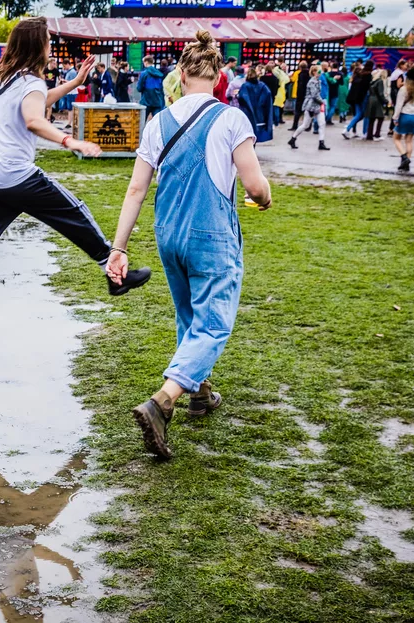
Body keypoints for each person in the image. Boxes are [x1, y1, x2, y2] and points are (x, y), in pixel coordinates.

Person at [0, 17, 152, 361]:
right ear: (37, 46)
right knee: (73, 212)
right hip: (15, 177)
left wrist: (74, 83)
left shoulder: (7, 78)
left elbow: (37, 100)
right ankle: (113, 272)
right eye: (47, 40)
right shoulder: (29, 81)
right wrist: (70, 140)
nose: (51, 45)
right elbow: (33, 117)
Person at [106, 30, 271, 459]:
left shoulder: (158, 122)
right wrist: (265, 197)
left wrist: (118, 248)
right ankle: (164, 400)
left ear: (180, 74)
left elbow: (135, 191)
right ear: (220, 77)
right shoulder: (232, 119)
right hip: (210, 235)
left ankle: (200, 392)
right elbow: (254, 185)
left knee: (189, 315)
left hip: (169, 235)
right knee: (214, 322)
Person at [289, 64, 329, 150]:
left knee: (322, 123)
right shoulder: (312, 82)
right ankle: (293, 138)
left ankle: (321, 142)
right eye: (319, 71)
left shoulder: (318, 81)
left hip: (317, 106)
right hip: (310, 106)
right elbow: (314, 95)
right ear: (314, 72)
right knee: (305, 125)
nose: (320, 73)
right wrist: (323, 102)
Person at [392, 67, 414, 172]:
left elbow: (399, 105)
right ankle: (407, 163)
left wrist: (395, 117)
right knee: (409, 140)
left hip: (404, 115)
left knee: (396, 138)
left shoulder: (404, 89)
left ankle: (404, 157)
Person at [238, 66, 273, 144]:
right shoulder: (262, 86)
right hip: (260, 113)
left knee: (247, 133)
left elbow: (241, 98)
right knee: (256, 132)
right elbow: (268, 96)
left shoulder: (245, 86)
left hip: (247, 114)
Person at [343, 62, 372, 138]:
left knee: (358, 114)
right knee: (364, 115)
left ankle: (348, 128)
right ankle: (364, 132)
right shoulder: (367, 76)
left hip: (355, 99)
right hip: (363, 98)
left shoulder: (355, 78)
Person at [137, 55, 164, 120]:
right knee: (157, 123)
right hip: (157, 101)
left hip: (146, 101)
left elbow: (139, 88)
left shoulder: (144, 74)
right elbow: (161, 89)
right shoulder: (159, 74)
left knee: (142, 122)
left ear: (146, 62)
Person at [365, 67, 389, 140]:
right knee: (380, 117)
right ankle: (377, 134)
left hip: (371, 100)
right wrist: (385, 101)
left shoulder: (372, 82)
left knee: (372, 118)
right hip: (377, 100)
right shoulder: (380, 81)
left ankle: (369, 135)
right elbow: (380, 93)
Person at [289, 61, 309, 131]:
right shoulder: (309, 74)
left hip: (300, 95)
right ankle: (308, 126)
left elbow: (300, 86)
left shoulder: (300, 74)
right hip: (307, 95)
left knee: (297, 111)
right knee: (307, 111)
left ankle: (295, 125)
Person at [272, 60, 289, 127]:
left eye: (285, 67)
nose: (284, 68)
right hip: (280, 92)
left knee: (279, 106)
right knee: (277, 106)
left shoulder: (281, 74)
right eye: (283, 67)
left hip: (282, 92)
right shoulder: (280, 74)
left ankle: (278, 119)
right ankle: (277, 120)